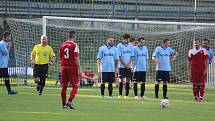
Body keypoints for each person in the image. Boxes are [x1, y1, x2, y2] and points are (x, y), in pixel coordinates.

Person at [59, 31, 81, 109]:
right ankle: (70, 102)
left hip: (64, 67)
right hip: (72, 67)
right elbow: (76, 57)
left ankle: (64, 104)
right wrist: (79, 68)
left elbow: (60, 57)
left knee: (64, 86)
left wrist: (63, 66)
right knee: (75, 86)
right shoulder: (75, 45)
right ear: (74, 36)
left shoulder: (62, 45)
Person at [117, 34, 134, 98]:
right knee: (121, 80)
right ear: (123, 39)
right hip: (122, 66)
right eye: (126, 39)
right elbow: (119, 56)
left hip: (129, 66)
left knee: (128, 80)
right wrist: (124, 64)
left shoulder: (131, 46)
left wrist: (129, 64)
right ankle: (120, 94)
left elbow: (132, 56)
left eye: (128, 39)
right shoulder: (119, 45)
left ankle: (126, 95)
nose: (127, 40)